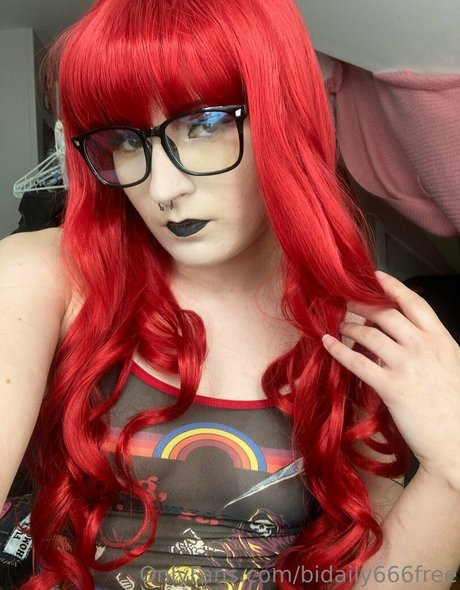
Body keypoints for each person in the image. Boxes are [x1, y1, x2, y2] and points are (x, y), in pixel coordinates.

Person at [0, 0, 459, 588]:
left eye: (205, 125)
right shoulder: (46, 275)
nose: (162, 188)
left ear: (284, 116)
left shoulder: (358, 330)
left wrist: (451, 469)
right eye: (125, 141)